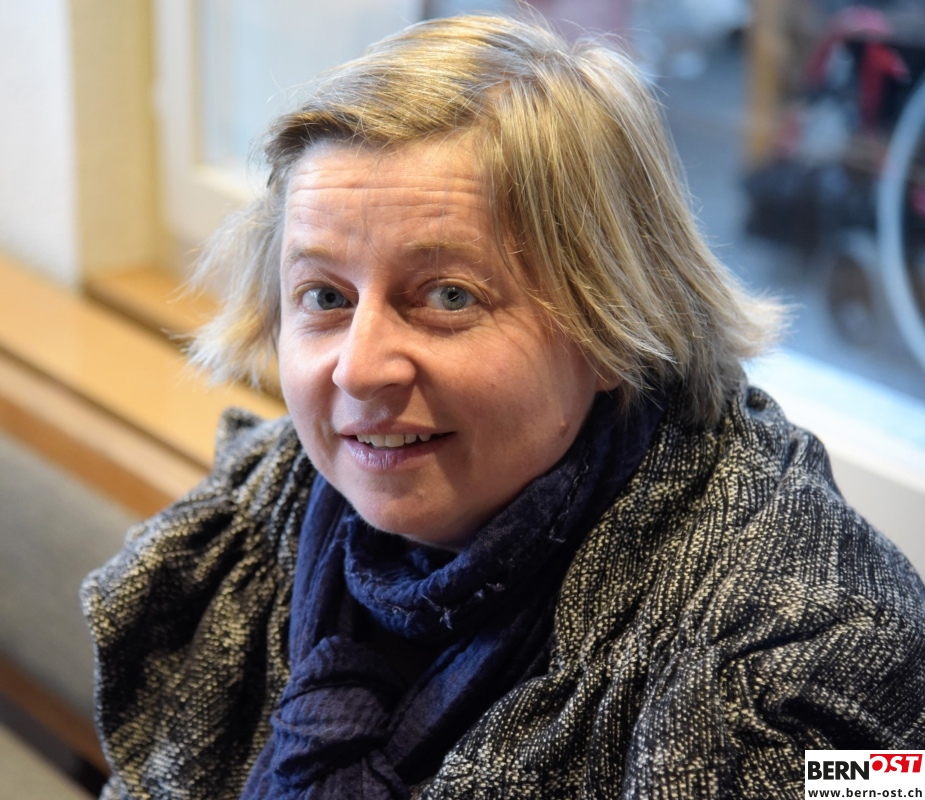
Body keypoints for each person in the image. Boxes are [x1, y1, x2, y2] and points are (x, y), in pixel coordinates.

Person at [82, 13, 925, 800]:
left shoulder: (809, 655)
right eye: (326, 297)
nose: (360, 370)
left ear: (609, 325)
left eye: (448, 296)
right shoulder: (270, 506)